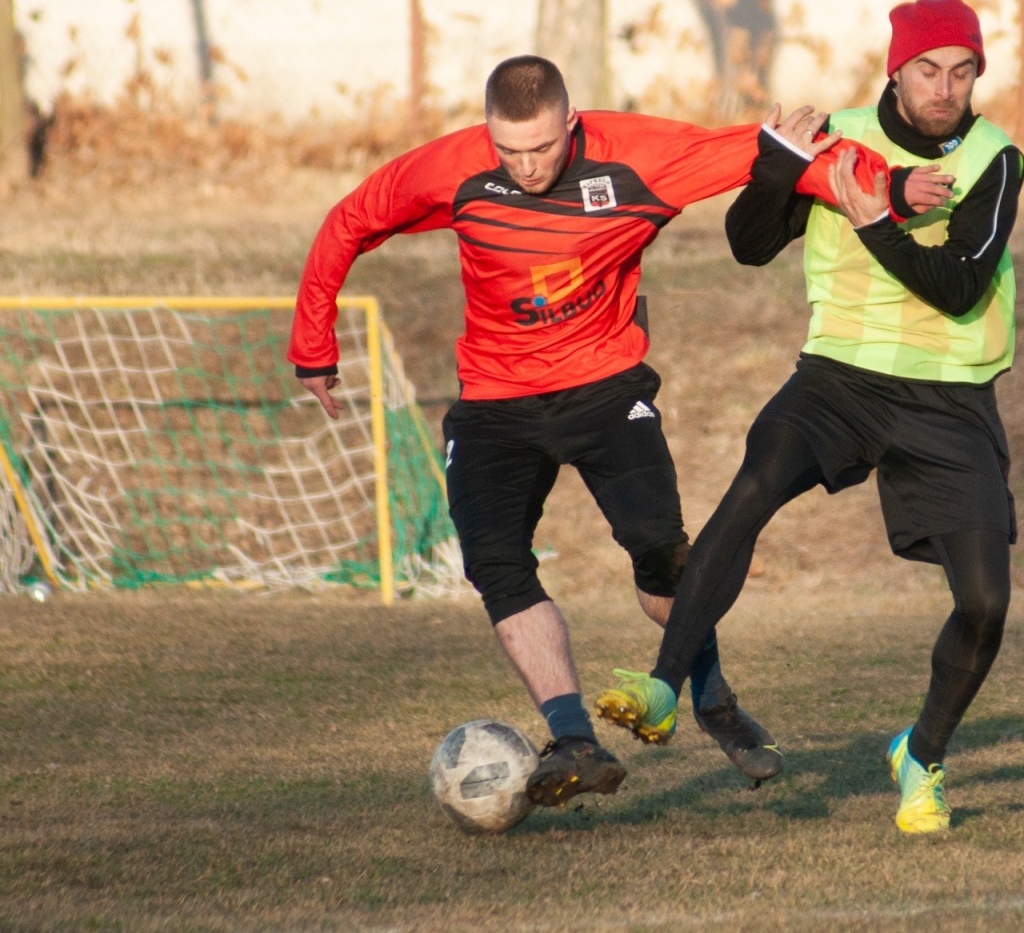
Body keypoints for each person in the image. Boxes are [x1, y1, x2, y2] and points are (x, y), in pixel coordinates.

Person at [289, 55, 947, 806]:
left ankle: (713, 699)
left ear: (571, 123)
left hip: (606, 389)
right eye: (511, 151)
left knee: (660, 558)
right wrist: (314, 344)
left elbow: (766, 154)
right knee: (495, 564)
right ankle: (572, 738)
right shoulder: (455, 167)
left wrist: (884, 184)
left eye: (543, 147)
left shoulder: (636, 155)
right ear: (489, 134)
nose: (527, 165)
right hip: (496, 401)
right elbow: (352, 220)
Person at [596, 0, 1024, 834]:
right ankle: (661, 686)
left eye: (962, 72)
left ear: (979, 75)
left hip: (949, 394)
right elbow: (748, 244)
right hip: (837, 378)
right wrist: (777, 164)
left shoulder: (995, 158)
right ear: (895, 70)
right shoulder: (837, 139)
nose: (945, 88)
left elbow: (960, 287)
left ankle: (922, 756)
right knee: (755, 483)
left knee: (985, 605)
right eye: (928, 70)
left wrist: (876, 223)